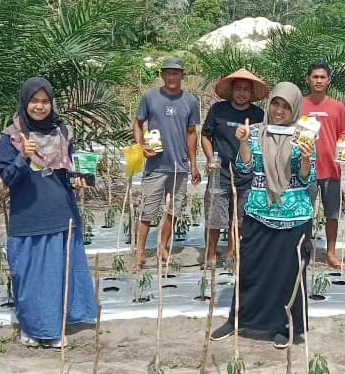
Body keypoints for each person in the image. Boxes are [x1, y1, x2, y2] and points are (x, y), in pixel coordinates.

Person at [210, 82, 315, 349]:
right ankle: (238, 319)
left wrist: (305, 159)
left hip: (294, 217)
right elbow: (245, 169)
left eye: (286, 106)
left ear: (294, 109)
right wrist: (243, 143)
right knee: (249, 270)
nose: (279, 111)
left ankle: (285, 325)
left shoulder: (304, 134)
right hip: (258, 211)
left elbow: (306, 180)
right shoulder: (256, 131)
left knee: (287, 275)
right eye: (276, 104)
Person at [0, 77, 97, 347]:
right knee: (30, 277)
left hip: (62, 213)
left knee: (58, 275)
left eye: (45, 101)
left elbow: (67, 172)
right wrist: (23, 157)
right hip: (29, 216)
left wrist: (79, 179)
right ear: (24, 102)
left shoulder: (62, 132)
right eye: (34, 101)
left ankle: (55, 326)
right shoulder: (11, 137)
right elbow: (7, 179)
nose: (39, 107)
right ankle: (34, 328)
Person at [133, 57, 201, 270]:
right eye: (168, 73)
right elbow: (138, 122)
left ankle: (163, 247)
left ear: (183, 76)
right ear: (162, 75)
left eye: (176, 73)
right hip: (155, 165)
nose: (172, 77)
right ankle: (140, 251)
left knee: (174, 210)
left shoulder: (190, 101)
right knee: (147, 211)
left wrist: (193, 164)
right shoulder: (150, 98)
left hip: (179, 165)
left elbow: (192, 133)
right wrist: (140, 146)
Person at [200, 68, 267, 269]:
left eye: (246, 89)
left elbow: (262, 142)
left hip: (247, 176)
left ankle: (231, 253)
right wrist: (211, 158)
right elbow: (205, 136)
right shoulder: (218, 110)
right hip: (220, 172)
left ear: (252, 93)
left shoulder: (258, 115)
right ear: (231, 91)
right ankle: (210, 254)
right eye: (238, 89)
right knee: (215, 216)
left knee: (239, 217)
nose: (242, 93)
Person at [302, 61, 345, 270]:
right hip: (305, 170)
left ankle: (331, 254)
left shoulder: (337, 107)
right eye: (315, 77)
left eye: (323, 77)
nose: (319, 81)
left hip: (331, 169)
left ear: (329, 80)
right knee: (304, 212)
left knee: (332, 213)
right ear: (308, 79)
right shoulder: (300, 105)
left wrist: (343, 148)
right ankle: (303, 252)